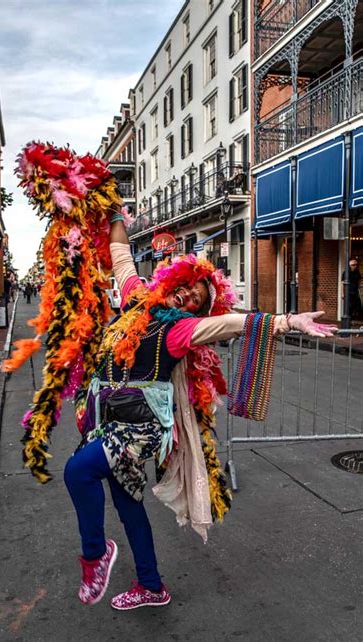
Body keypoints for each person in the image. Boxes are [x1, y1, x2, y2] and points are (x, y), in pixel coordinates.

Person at [62, 212, 337, 611]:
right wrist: (113, 212)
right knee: (126, 501)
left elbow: (232, 323)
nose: (188, 297)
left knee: (77, 471)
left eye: (196, 300)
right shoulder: (136, 299)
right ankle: (151, 586)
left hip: (138, 427)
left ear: (196, 312)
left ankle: (95, 556)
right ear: (172, 283)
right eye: (187, 289)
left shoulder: (179, 331)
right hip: (106, 420)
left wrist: (288, 321)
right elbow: (121, 256)